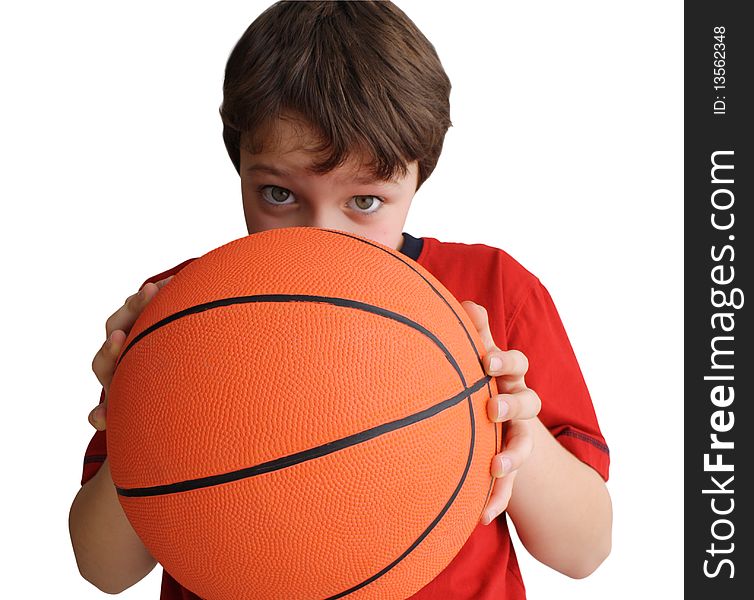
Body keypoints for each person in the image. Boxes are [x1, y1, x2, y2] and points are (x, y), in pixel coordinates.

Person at [68, 2, 612, 598]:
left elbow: (583, 553)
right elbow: (106, 570)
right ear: (239, 167)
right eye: (279, 193)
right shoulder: (183, 311)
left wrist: (508, 419)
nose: (320, 236)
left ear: (418, 177)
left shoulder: (493, 290)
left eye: (365, 201)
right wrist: (139, 407)